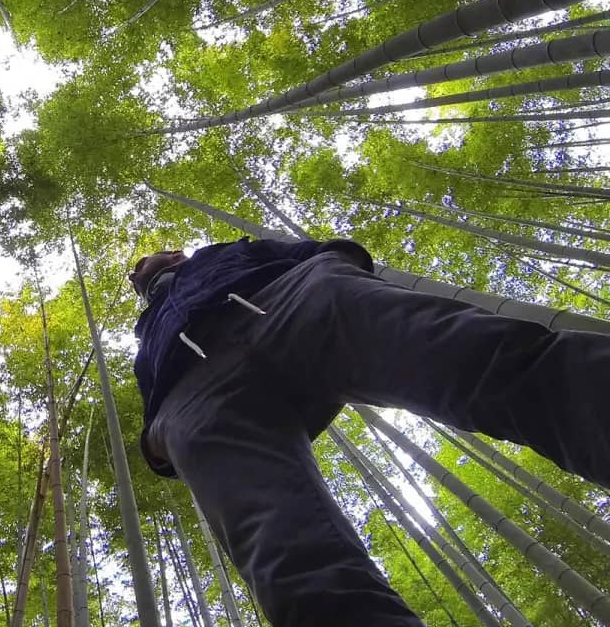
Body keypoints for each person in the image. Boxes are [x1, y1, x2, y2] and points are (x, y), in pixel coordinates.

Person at [129, 236, 610, 627]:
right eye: (134, 271)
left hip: (294, 301)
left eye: (145, 257)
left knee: (488, 361)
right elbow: (148, 390)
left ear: (176, 253)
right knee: (289, 562)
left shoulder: (228, 250)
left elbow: (301, 249)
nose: (137, 270)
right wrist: (159, 434)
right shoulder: (146, 329)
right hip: (196, 393)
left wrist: (333, 267)